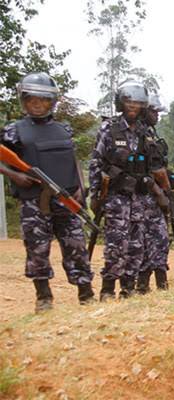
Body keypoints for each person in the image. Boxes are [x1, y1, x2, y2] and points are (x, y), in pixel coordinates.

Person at [0, 72, 94, 312]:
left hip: (67, 199)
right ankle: (44, 297)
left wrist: (81, 191)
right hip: (34, 203)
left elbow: (73, 161)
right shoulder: (14, 130)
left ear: (51, 102)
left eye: (42, 100)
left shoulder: (64, 130)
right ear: (24, 100)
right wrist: (15, 175)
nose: (37, 104)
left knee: (77, 247)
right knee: (37, 250)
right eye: (31, 100)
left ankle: (86, 294)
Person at [89, 79, 168, 300]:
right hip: (117, 197)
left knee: (136, 246)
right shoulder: (109, 129)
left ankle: (129, 288)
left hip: (141, 198)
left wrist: (159, 192)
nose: (133, 107)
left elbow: (154, 166)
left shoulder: (146, 133)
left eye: (137, 104)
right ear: (121, 104)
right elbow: (96, 162)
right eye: (129, 103)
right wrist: (96, 195)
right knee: (116, 244)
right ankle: (107, 289)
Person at [136, 93, 170, 293]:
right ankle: (142, 285)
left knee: (159, 240)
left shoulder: (150, 133)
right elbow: (155, 170)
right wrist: (163, 191)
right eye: (153, 111)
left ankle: (160, 283)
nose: (157, 115)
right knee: (145, 241)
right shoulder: (139, 134)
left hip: (153, 195)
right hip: (143, 196)